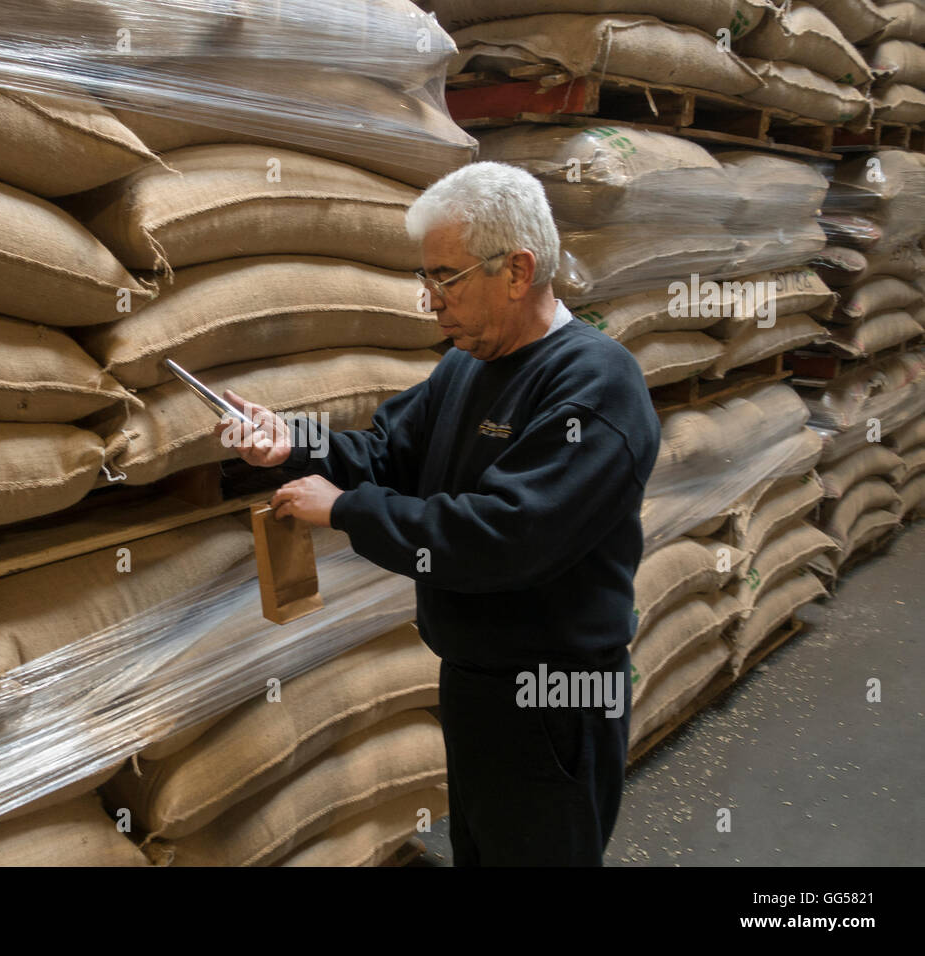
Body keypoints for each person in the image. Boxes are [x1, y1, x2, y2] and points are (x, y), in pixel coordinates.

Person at [213, 161, 661, 866]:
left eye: (443, 278)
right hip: (478, 679)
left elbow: (504, 535)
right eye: (426, 280)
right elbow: (392, 451)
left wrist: (347, 511)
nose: (430, 301)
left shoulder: (595, 385)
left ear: (517, 270)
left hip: (552, 694)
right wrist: (291, 443)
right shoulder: (468, 365)